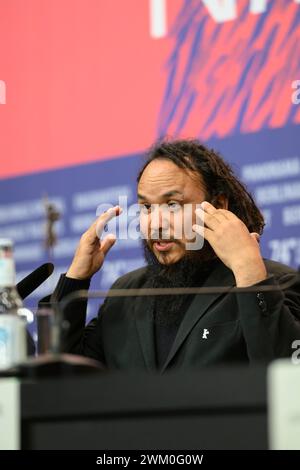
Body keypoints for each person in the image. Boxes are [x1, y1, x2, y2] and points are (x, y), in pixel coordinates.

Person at [50, 139, 300, 372]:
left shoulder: (276, 281)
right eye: (146, 207)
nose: (155, 223)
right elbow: (62, 383)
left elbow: (288, 380)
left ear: (219, 206)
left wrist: (249, 271)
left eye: (173, 205)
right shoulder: (124, 293)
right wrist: (75, 280)